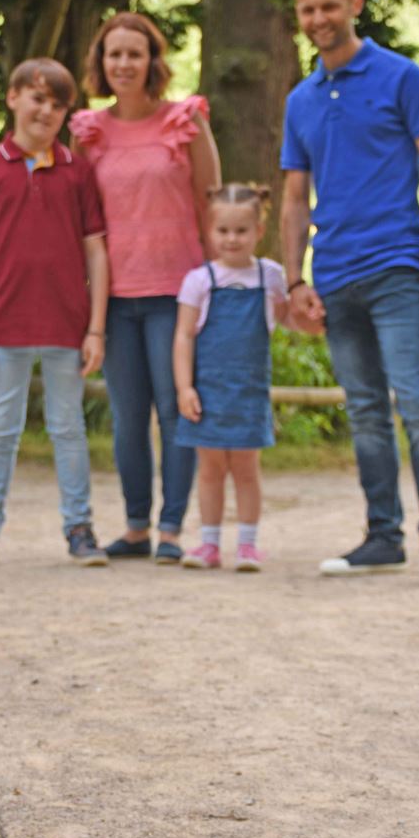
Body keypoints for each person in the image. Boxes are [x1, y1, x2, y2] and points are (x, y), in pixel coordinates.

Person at [280, 0, 419, 589]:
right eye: (308, 9)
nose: (319, 18)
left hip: (397, 269)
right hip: (333, 278)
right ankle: (383, 538)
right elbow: (294, 199)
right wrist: (295, 281)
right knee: (364, 413)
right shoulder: (300, 100)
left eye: (329, 5)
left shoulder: (402, 77)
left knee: (418, 406)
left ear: (355, 5)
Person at [0, 58, 110, 569]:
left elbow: (96, 251)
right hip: (6, 327)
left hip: (67, 326)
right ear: (13, 97)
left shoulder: (78, 172)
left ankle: (79, 528)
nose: (47, 111)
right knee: (1, 429)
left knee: (68, 428)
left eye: (58, 104)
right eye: (38, 98)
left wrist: (96, 329)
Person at [70, 12, 221, 566]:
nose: (124, 63)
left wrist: (218, 287)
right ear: (101, 63)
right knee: (128, 418)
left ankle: (172, 529)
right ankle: (136, 528)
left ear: (152, 61)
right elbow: (79, 221)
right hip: (113, 299)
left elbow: (211, 203)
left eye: (135, 53)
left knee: (178, 411)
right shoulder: (88, 131)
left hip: (178, 294)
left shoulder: (185, 120)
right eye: (115, 54)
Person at [172, 184, 291, 572]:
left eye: (241, 230)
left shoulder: (270, 277)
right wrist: (184, 387)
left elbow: (287, 318)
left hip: (249, 391)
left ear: (259, 231)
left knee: (246, 469)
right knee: (210, 469)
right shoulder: (199, 280)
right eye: (223, 230)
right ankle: (208, 544)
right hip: (207, 392)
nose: (232, 239)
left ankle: (247, 545)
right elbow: (184, 336)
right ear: (209, 231)